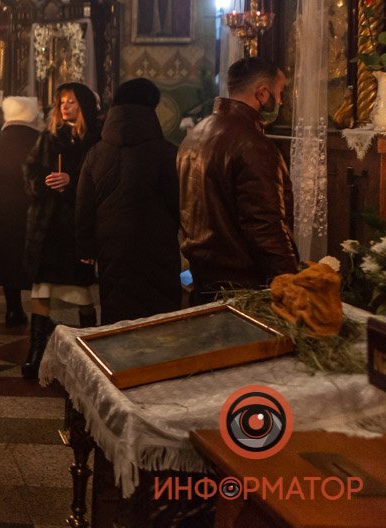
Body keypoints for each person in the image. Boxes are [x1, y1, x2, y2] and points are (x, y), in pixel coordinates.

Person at [178, 57, 298, 302]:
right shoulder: (253, 145)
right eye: (280, 92)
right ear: (262, 93)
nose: (282, 101)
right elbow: (265, 227)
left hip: (202, 277)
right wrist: (291, 285)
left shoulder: (198, 132)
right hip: (241, 288)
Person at [76, 78, 181, 324]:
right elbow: (178, 201)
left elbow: (84, 203)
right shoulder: (166, 152)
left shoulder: (96, 152)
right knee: (160, 317)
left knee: (117, 308)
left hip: (111, 245)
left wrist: (85, 246)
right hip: (157, 245)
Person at [21, 82, 101, 379]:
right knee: (41, 288)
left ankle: (91, 350)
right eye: (62, 102)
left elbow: (96, 179)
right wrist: (43, 181)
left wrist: (72, 180)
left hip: (73, 226)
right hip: (46, 226)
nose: (65, 106)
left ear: (84, 105)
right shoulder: (49, 136)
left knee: (80, 291)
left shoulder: (93, 139)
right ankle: (36, 349)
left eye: (71, 101)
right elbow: (29, 170)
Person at [0, 96, 42, 327]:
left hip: (2, 205)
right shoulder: (42, 140)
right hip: (34, 206)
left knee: (7, 259)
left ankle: (13, 309)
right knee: (36, 260)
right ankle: (40, 315)